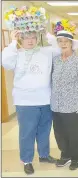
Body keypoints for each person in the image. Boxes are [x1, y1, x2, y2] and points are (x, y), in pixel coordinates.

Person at [2, 6, 58, 175]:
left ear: (37, 37)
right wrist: (12, 42)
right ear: (20, 38)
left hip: (45, 99)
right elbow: (5, 62)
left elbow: (58, 49)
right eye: (26, 37)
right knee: (27, 132)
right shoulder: (16, 53)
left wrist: (45, 31)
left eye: (33, 37)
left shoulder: (46, 51)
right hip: (25, 101)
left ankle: (44, 155)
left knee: (44, 129)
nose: (30, 40)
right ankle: (27, 160)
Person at [50, 19, 78, 170]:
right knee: (59, 132)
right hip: (56, 104)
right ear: (58, 43)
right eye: (60, 41)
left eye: (66, 41)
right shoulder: (55, 60)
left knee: (74, 132)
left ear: (72, 43)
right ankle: (65, 155)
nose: (63, 43)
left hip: (73, 104)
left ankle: (76, 157)